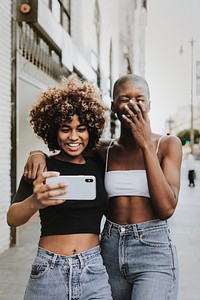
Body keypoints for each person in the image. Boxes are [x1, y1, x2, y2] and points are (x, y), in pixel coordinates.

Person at [23, 74, 182, 300]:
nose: (133, 105)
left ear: (149, 104)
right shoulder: (104, 150)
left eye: (140, 99)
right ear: (113, 106)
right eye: (124, 98)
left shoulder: (167, 144)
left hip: (152, 249)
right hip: (110, 246)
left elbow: (167, 209)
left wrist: (145, 144)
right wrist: (37, 153)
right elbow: (69, 146)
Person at [7, 74, 112, 300]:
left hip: (93, 270)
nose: (73, 136)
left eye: (81, 128)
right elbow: (12, 218)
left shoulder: (100, 163)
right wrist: (35, 201)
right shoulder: (41, 167)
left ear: (91, 130)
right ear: (53, 130)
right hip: (48, 271)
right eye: (65, 129)